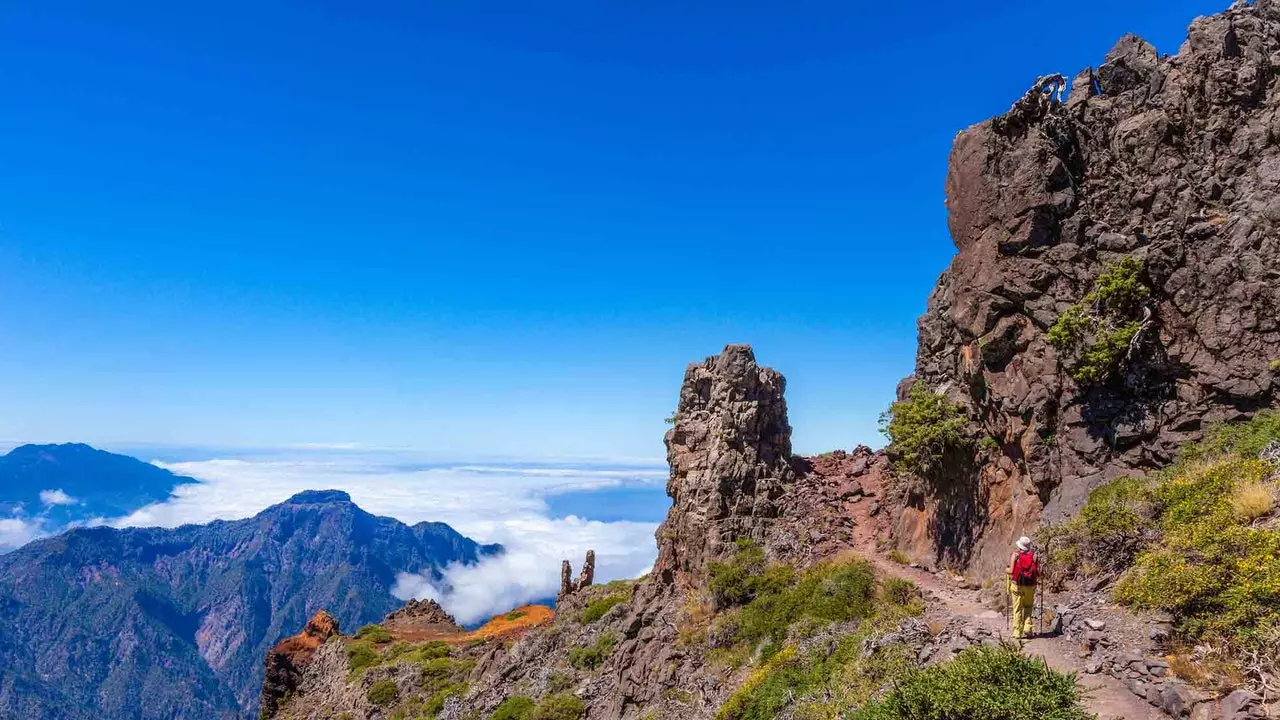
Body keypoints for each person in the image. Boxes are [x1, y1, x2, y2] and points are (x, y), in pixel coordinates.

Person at [1008, 536, 1039, 639]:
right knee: (1028, 606)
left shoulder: (1015, 555)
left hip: (1017, 585)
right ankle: (1027, 627)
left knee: (1017, 608)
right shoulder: (1034, 556)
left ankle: (1017, 632)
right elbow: (1038, 572)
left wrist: (1006, 570)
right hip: (1030, 585)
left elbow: (1011, 571)